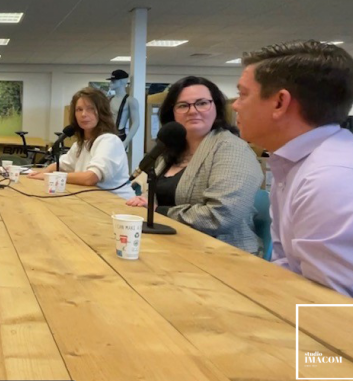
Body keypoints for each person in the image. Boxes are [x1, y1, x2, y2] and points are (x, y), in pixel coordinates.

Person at [233, 40, 353, 320]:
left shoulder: (335, 180)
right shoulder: (298, 165)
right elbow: (289, 270)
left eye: (242, 94)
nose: (236, 105)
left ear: (279, 102)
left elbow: (337, 320)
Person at [125, 76, 262, 254]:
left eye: (202, 103)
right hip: (172, 247)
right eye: (183, 105)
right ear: (172, 113)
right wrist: (144, 202)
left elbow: (221, 216)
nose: (193, 111)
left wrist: (161, 212)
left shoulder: (232, 150)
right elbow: (155, 196)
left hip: (221, 255)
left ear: (216, 108)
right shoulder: (171, 151)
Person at [28, 88, 134, 199]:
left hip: (119, 205)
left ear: (102, 112)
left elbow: (90, 178)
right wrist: (44, 172)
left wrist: (50, 176)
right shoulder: (80, 144)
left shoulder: (109, 141)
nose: (83, 114)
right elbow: (62, 165)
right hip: (94, 201)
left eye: (90, 109)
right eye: (79, 109)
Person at [107, 70, 141, 149]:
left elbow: (136, 123)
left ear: (122, 81)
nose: (111, 83)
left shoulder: (131, 101)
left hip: (119, 136)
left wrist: (126, 142)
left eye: (114, 81)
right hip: (107, 135)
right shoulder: (109, 99)